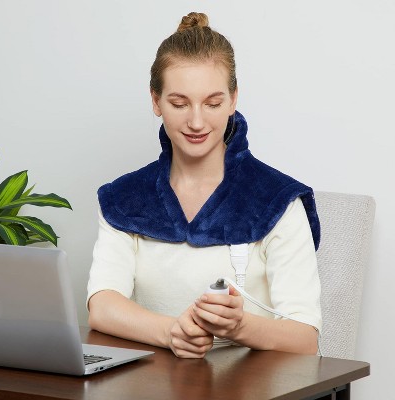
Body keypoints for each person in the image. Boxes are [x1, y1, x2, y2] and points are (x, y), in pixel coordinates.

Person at [87, 12, 322, 359]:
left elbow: (305, 340)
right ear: (155, 101)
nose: (196, 121)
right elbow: (102, 306)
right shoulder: (124, 199)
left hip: (252, 383)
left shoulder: (277, 200)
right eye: (179, 103)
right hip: (150, 381)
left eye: (212, 103)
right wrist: (171, 333)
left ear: (233, 99)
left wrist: (239, 327)